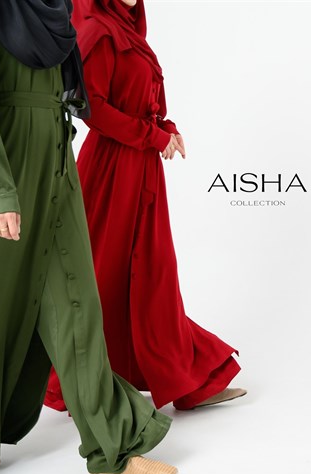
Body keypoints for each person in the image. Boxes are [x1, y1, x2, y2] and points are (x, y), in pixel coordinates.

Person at [0, 0, 178, 474]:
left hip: (55, 154)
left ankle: (112, 447)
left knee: (77, 300)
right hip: (4, 157)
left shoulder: (57, 6)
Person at [45, 0, 247, 413]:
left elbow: (143, 102)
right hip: (112, 172)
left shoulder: (130, 33)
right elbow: (93, 110)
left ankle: (180, 377)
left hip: (140, 167)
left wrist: (165, 128)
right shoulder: (100, 32)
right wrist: (153, 136)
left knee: (149, 274)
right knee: (107, 274)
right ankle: (71, 381)